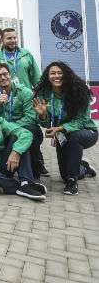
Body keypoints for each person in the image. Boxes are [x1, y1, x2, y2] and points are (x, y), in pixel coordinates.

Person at [33, 62, 97, 195]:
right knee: (64, 174)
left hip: (86, 132)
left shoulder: (78, 90)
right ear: (47, 76)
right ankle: (83, 168)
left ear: (66, 74)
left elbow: (81, 120)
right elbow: (46, 124)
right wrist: (43, 115)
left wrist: (60, 128)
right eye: (52, 73)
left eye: (59, 73)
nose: (56, 76)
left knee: (74, 137)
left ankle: (72, 182)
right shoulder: (45, 93)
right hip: (62, 135)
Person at [0, 63, 48, 178]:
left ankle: (33, 174)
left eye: (5, 74)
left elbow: (30, 117)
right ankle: (8, 171)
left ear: (10, 75)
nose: (3, 77)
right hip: (1, 132)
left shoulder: (25, 92)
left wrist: (11, 127)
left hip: (21, 129)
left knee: (29, 130)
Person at [0, 28, 41, 92]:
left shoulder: (26, 54)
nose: (13, 40)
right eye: (9, 38)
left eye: (14, 38)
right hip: (5, 98)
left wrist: (40, 93)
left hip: (26, 96)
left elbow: (36, 77)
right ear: (2, 40)